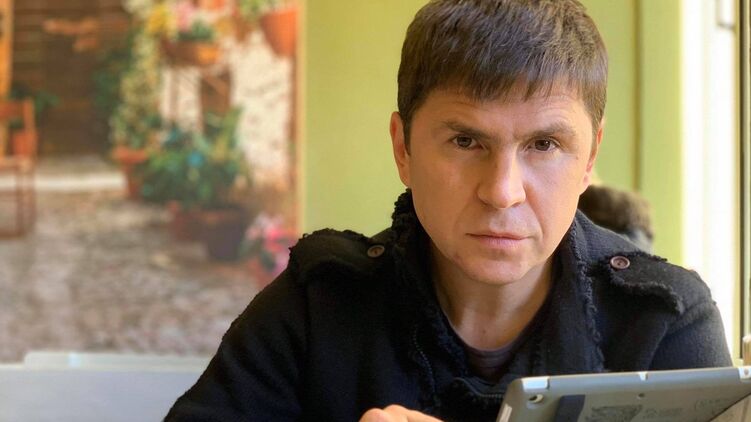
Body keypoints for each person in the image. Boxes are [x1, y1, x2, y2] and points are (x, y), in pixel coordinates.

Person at [166, 1, 732, 421]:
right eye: (465, 141)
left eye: (544, 145)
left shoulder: (663, 322)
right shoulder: (316, 305)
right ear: (403, 148)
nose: (502, 192)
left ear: (589, 159)